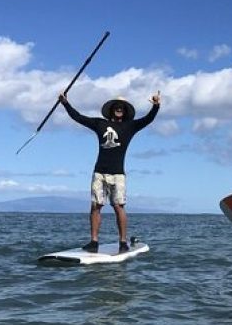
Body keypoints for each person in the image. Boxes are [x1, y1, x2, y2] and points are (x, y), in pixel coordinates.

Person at [59, 90, 160, 253]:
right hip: (99, 172)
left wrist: (156, 105)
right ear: (112, 109)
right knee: (95, 206)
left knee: (119, 206)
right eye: (117, 106)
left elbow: (148, 119)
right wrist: (65, 103)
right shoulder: (99, 124)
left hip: (118, 174)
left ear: (125, 111)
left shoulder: (130, 126)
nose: (119, 108)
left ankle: (122, 242)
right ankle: (93, 242)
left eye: (122, 107)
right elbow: (78, 117)